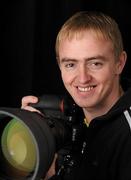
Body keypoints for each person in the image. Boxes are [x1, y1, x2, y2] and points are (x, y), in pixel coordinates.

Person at [21, 11, 131, 180]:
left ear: (119, 63)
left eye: (95, 63)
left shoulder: (126, 134)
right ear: (60, 66)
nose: (83, 78)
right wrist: (31, 132)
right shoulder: (70, 118)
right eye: (71, 64)